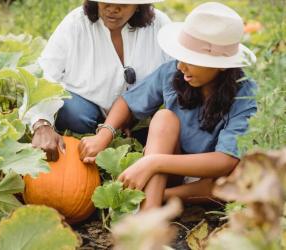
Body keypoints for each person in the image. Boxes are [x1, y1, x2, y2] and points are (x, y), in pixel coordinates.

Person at [78, 2, 257, 210]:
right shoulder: (174, 72)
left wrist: (153, 162)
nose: (181, 66)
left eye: (192, 60)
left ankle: (158, 197)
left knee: (240, 176)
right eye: (181, 57)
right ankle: (149, 212)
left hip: (213, 179)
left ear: (221, 66)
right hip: (173, 167)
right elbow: (127, 101)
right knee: (164, 117)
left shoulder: (246, 94)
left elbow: (225, 161)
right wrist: (104, 134)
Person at [24, 0, 171, 161]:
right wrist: (41, 123)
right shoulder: (75, 24)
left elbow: (175, 76)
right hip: (86, 116)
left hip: (139, 120)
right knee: (70, 110)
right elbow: (45, 73)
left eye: (124, 4)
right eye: (106, 2)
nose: (113, 9)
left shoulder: (160, 26)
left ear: (139, 5)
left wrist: (135, 111)